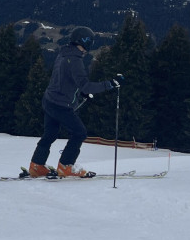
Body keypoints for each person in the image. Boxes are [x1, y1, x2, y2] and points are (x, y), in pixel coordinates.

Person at [27, 26, 122, 178]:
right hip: (61, 105)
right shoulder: (75, 60)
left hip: (49, 100)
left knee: (50, 134)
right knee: (79, 133)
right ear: (85, 42)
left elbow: (66, 80)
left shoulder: (64, 53)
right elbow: (85, 84)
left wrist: (80, 92)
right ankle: (66, 166)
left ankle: (36, 165)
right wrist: (110, 84)